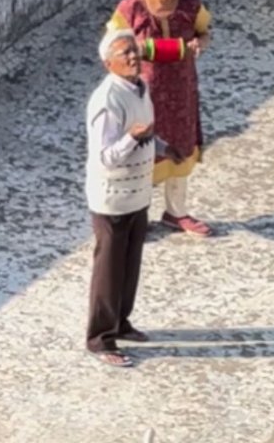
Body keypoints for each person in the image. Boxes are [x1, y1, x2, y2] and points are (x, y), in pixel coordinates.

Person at [85, 30, 182, 367]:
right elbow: (105, 156)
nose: (132, 58)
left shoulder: (140, 89)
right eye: (124, 54)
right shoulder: (106, 100)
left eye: (134, 52)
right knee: (109, 271)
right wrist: (130, 138)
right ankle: (100, 337)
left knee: (129, 266)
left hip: (138, 194)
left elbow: (148, 133)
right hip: (111, 198)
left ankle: (121, 321)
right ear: (108, 62)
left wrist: (165, 148)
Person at [106, 0, 213, 237]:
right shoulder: (131, 9)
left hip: (180, 91)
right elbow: (109, 45)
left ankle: (175, 212)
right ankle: (133, 217)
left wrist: (200, 43)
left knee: (179, 147)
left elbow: (205, 31)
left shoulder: (190, 3)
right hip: (143, 94)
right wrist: (134, 52)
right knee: (139, 151)